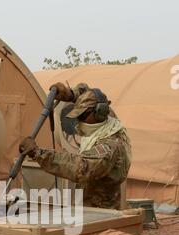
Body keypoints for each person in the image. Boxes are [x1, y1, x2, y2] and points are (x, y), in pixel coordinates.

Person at [19, 82, 132, 210]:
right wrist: (71, 95)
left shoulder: (110, 146)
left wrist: (38, 153)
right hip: (86, 210)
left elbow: (81, 167)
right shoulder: (106, 123)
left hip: (100, 215)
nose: (79, 121)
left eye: (83, 116)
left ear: (100, 113)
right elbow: (90, 94)